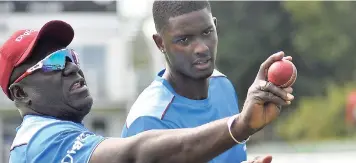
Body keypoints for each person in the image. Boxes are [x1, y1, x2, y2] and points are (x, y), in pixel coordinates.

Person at [1, 20, 293, 163]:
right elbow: (136, 153)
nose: (70, 67)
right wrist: (240, 126)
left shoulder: (56, 137)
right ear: (21, 93)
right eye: (52, 63)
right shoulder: (43, 142)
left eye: (69, 56)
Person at [121, 1, 293, 162]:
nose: (202, 48)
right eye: (184, 40)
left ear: (215, 26)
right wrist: (241, 126)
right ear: (160, 43)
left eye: (207, 32)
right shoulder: (148, 119)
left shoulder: (222, 85)